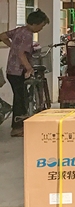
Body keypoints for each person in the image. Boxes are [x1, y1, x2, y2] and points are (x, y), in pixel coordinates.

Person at [0, 9, 49, 137]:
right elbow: (22, 54)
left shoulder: (19, 30)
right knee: (20, 98)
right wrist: (29, 68)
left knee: (19, 96)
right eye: (41, 26)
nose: (41, 29)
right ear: (35, 23)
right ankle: (17, 128)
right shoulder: (27, 35)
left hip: (11, 70)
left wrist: (12, 47)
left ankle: (18, 125)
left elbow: (3, 36)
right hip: (18, 71)